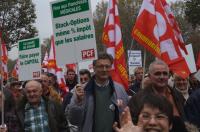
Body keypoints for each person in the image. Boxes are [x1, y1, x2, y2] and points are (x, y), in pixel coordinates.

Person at [67, 53, 129, 132]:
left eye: (107, 66)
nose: (104, 69)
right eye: (100, 66)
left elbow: (126, 116)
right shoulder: (82, 90)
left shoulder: (119, 89)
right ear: (94, 68)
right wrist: (78, 102)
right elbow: (74, 121)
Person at [142, 60, 187, 131]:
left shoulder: (177, 95)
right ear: (150, 76)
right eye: (157, 74)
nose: (162, 77)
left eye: (165, 73)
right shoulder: (138, 99)